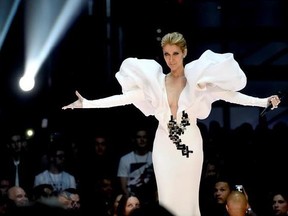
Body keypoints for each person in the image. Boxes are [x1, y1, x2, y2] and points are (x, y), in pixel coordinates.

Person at [62, 32, 281, 216]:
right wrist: (87, 104)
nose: (171, 59)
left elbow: (229, 95)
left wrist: (262, 101)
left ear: (184, 53)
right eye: (166, 54)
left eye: (175, 53)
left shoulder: (197, 81)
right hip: (164, 143)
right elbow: (124, 98)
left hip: (190, 144)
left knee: (188, 197)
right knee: (166, 197)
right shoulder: (155, 83)